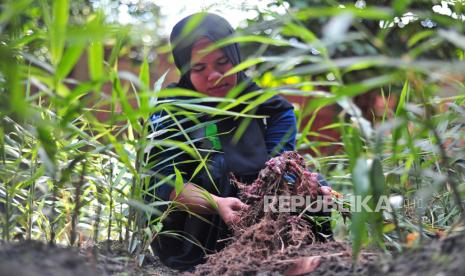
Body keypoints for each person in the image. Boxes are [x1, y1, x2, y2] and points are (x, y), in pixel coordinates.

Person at [145, 12, 332, 271]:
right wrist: (217, 203)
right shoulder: (170, 111)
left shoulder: (268, 107)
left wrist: (296, 184)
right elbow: (162, 184)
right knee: (215, 169)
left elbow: (277, 171)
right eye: (199, 68)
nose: (215, 75)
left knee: (314, 186)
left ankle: (290, 253)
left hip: (260, 210)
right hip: (199, 227)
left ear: (236, 57)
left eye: (223, 62)